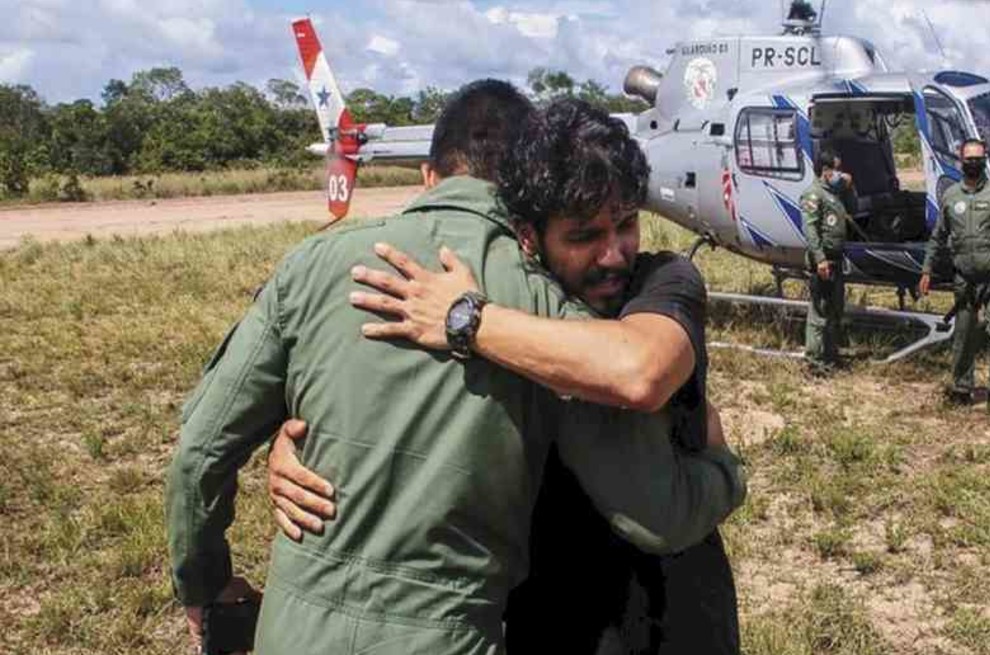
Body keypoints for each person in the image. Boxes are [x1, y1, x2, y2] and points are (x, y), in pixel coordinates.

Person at [165, 81, 745, 655]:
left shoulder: (316, 262)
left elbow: (199, 450)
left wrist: (207, 587)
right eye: (586, 231)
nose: (613, 252)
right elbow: (656, 510)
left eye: (624, 225)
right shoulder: (540, 297)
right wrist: (723, 469)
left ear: (428, 175)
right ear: (527, 215)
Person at [918, 138, 990, 415]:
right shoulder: (951, 196)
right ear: (960, 160)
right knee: (963, 337)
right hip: (964, 280)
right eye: (969, 159)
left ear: (985, 159)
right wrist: (927, 270)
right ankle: (961, 389)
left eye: (978, 159)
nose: (973, 164)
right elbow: (938, 237)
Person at [800, 149, 856, 374]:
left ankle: (830, 356)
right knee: (820, 312)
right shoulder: (814, 195)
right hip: (823, 262)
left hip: (836, 259)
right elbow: (811, 229)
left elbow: (853, 207)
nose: (839, 173)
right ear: (825, 171)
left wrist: (850, 186)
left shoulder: (834, 192)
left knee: (835, 310)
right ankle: (814, 361)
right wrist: (820, 259)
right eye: (837, 169)